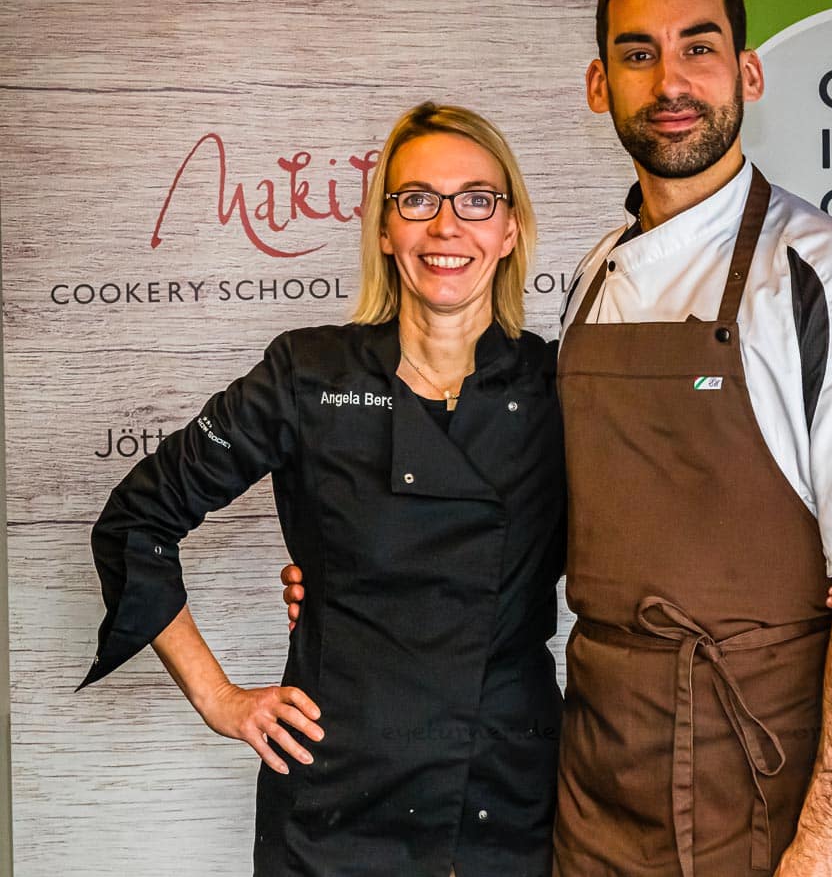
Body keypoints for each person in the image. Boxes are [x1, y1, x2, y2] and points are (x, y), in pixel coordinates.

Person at [550, 0, 832, 877]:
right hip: (601, 773)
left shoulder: (827, 278)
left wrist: (831, 832)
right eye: (638, 54)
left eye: (699, 47)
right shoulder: (590, 276)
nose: (670, 81)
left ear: (748, 70)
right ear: (598, 84)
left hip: (765, 781)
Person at [81, 103, 566, 876]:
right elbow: (137, 520)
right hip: (337, 800)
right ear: (384, 228)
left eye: (477, 200)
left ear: (509, 230)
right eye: (417, 201)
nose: (447, 226)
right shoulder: (308, 375)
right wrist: (219, 698)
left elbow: (642, 547)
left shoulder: (560, 387)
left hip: (503, 792)